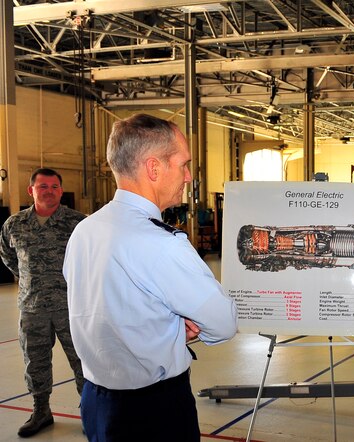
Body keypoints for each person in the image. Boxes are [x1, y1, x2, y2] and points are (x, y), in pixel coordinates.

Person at [63, 114, 238, 441]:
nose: (188, 176)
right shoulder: (161, 243)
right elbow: (223, 323)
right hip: (151, 411)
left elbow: (106, 314)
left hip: (96, 403)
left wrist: (162, 331)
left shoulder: (85, 231)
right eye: (184, 164)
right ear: (154, 168)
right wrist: (177, 332)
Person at [0, 168, 86, 437]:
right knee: (35, 362)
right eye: (43, 186)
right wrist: (31, 280)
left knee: (83, 361)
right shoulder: (14, 224)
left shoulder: (78, 223)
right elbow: (8, 257)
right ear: (31, 190)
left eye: (54, 187)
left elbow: (92, 259)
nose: (49, 191)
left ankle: (90, 411)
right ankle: (41, 411)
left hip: (72, 307)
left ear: (61, 190)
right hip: (32, 308)